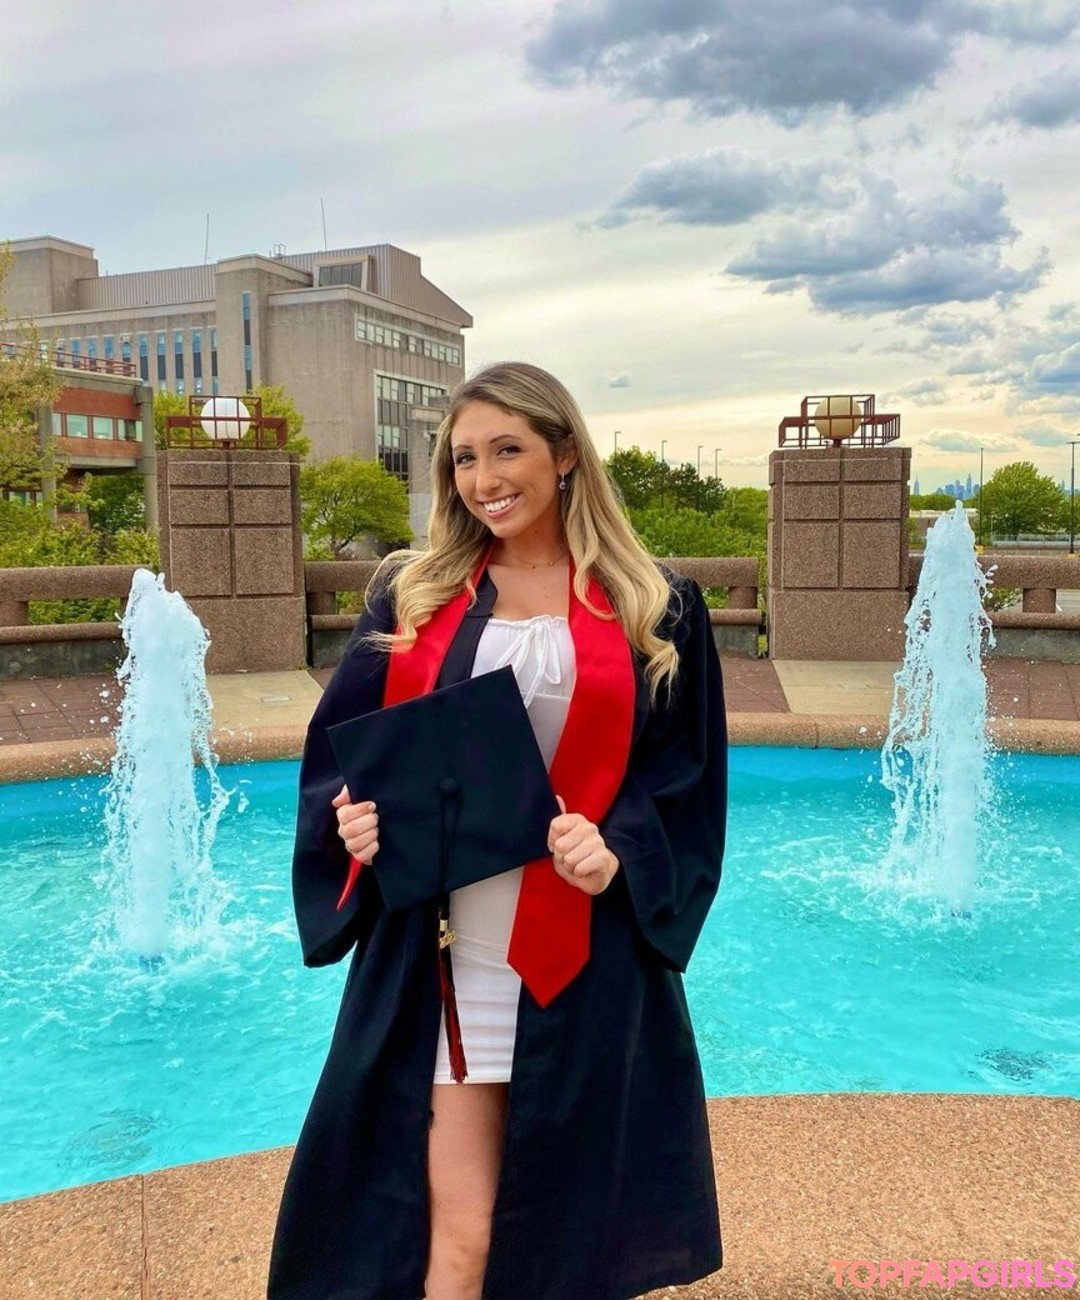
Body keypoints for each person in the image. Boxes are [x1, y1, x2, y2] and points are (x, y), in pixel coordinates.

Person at [268, 362, 728, 1300]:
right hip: (448, 953)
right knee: (461, 1233)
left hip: (585, 956)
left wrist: (619, 852)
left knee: (574, 1236)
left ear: (564, 455)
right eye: (465, 458)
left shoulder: (657, 605)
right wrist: (354, 825)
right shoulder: (414, 596)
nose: (484, 479)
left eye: (507, 450)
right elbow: (344, 761)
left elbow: (685, 785)